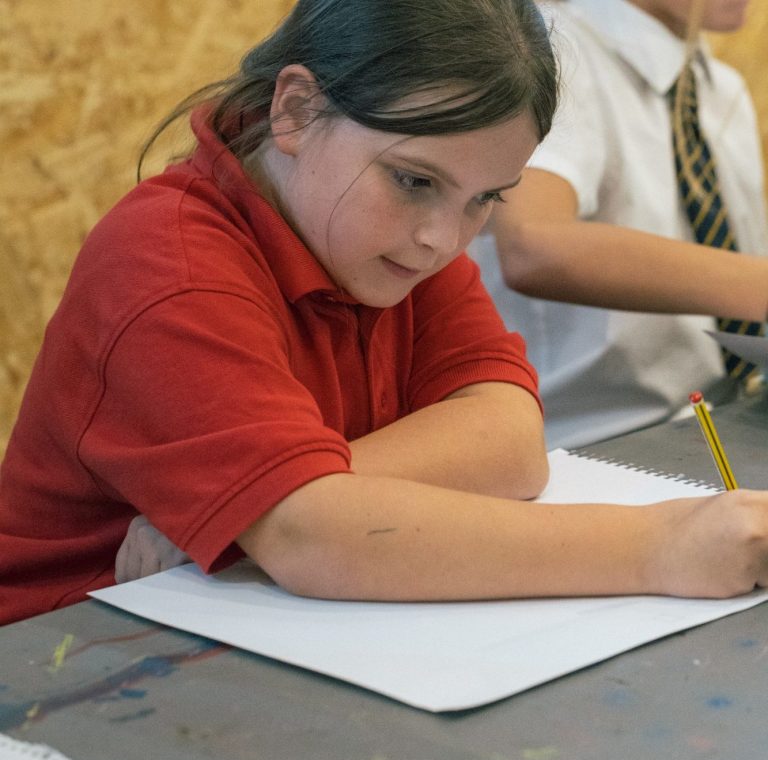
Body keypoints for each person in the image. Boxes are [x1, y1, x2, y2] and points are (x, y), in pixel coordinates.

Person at [2, 0, 768, 628]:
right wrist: (660, 545)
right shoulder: (169, 265)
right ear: (297, 110)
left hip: (246, 624)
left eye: (484, 200)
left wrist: (267, 504)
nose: (444, 239)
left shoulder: (393, 246)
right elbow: (313, 540)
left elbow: (511, 442)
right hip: (66, 661)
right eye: (412, 180)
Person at [470, 0, 768, 449]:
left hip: (714, 416)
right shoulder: (552, 49)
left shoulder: (720, 89)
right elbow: (533, 243)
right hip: (588, 441)